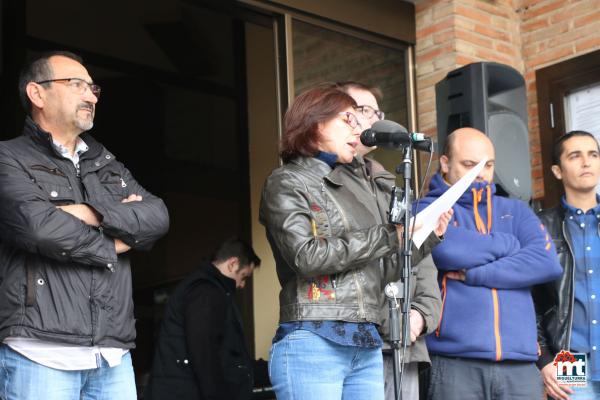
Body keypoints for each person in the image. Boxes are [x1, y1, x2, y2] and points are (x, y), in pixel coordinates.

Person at [259, 85, 452, 400]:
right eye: (348, 119)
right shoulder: (286, 181)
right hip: (314, 336)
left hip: (365, 342)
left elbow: (378, 269)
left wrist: (426, 237)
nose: (359, 128)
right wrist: (391, 235)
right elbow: (305, 256)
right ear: (316, 122)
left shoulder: (353, 191)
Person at [0, 51, 170, 400]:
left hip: (112, 354)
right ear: (37, 94)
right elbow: (39, 227)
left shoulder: (106, 164)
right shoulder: (8, 157)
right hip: (41, 351)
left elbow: (157, 216)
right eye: (76, 84)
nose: (91, 95)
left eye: (92, 88)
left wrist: (89, 212)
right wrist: (115, 242)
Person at [418, 127, 563, 400]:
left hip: (520, 364)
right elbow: (449, 251)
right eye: (469, 165)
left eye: (488, 165)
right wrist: (511, 245)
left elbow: (546, 263)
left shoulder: (517, 210)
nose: (481, 173)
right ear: (445, 163)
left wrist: (477, 274)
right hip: (454, 362)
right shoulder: (425, 208)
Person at [335, 81, 442, 400]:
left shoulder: (389, 184)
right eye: (361, 110)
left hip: (404, 344)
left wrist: (420, 315)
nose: (371, 119)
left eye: (375, 111)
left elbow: (421, 265)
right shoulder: (324, 179)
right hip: (352, 340)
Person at [145, 237, 260, 400]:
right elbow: (204, 352)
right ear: (232, 263)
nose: (242, 285)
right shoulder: (205, 291)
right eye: (244, 276)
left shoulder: (206, 289)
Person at [534, 130, 600, 399]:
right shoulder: (540, 227)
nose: (587, 162)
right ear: (557, 171)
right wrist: (545, 359)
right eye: (575, 156)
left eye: (593, 154)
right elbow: (530, 301)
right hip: (568, 360)